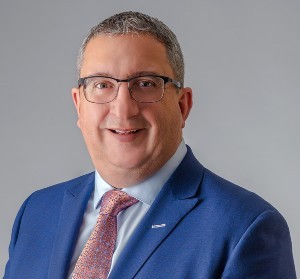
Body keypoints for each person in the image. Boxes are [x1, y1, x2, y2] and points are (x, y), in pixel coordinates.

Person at [4, 11, 296, 279]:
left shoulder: (245, 227)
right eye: (102, 84)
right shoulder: (37, 212)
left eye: (145, 84)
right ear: (79, 105)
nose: (123, 109)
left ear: (182, 105)